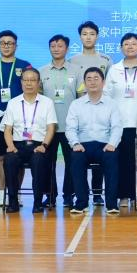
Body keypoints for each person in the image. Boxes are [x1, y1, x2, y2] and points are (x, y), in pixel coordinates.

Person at [0, 30, 33, 207]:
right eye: (3, 43)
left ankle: (15, 193)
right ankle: (1, 194)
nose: (6, 46)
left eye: (10, 43)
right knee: (0, 156)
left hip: (20, 117)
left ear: (16, 46)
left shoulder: (25, 65)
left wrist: (14, 106)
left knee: (17, 156)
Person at [106, 33, 137, 209]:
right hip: (118, 124)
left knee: (136, 162)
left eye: (134, 44)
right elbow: (107, 95)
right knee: (120, 162)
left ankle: (135, 195)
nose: (130, 46)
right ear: (121, 48)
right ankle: (122, 196)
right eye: (126, 44)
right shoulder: (114, 69)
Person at [65, 67, 122, 215]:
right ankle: (81, 203)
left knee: (112, 157)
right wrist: (75, 143)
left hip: (105, 145)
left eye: (96, 78)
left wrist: (112, 144)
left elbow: (117, 127)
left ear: (103, 82)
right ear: (84, 83)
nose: (92, 82)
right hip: (83, 145)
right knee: (76, 158)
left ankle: (111, 204)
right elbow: (70, 128)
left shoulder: (112, 104)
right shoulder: (76, 104)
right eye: (88, 79)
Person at [1, 68, 57, 214]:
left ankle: (37, 203)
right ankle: (13, 202)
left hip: (38, 145)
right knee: (9, 160)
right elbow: (7, 129)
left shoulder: (47, 103)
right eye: (26, 80)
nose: (29, 83)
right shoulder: (13, 103)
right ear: (21, 83)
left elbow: (51, 128)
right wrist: (10, 146)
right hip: (18, 145)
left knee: (39, 161)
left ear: (38, 83)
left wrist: (44, 145)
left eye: (33, 80)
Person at [68, 20, 112, 204]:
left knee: (100, 150)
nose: (88, 37)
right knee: (79, 156)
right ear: (80, 37)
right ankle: (80, 195)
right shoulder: (73, 61)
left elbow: (108, 87)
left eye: (92, 34)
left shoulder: (106, 60)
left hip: (100, 109)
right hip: (80, 111)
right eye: (85, 34)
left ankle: (97, 194)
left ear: (97, 37)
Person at [39, 34, 84, 209]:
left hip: (70, 126)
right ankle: (50, 196)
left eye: (60, 46)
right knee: (47, 163)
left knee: (72, 163)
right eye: (53, 46)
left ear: (67, 49)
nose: (56, 49)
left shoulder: (77, 70)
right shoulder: (42, 71)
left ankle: (68, 196)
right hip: (48, 127)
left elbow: (81, 98)